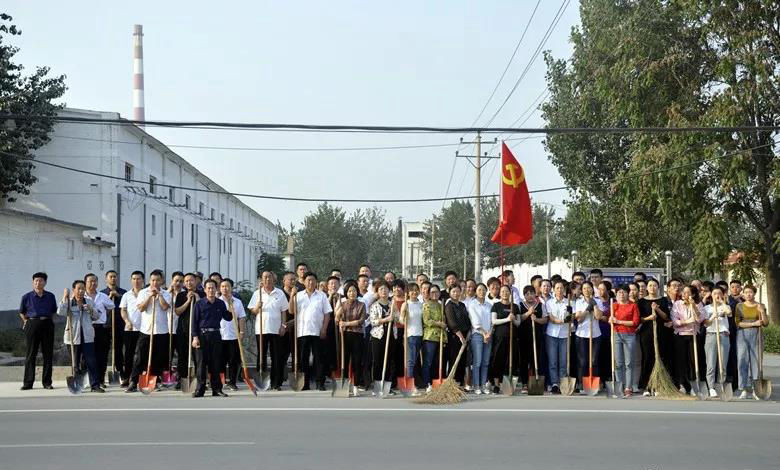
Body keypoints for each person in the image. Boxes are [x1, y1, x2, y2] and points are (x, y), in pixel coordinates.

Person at [126, 270, 171, 393]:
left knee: (158, 358)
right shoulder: (143, 292)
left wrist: (159, 296)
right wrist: (150, 297)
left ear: (162, 281)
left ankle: (154, 381)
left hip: (161, 331)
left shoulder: (166, 293)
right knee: (139, 357)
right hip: (146, 330)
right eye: (152, 280)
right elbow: (141, 308)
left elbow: (165, 307)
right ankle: (133, 382)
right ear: (149, 281)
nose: (155, 283)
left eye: (157, 280)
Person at [248, 271, 289, 391]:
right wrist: (257, 307)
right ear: (261, 279)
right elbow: (253, 311)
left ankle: (276, 383)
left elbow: (284, 311)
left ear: (273, 279)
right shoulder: (257, 293)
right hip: (261, 329)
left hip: (276, 329)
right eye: (265, 277)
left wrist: (283, 326)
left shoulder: (280, 293)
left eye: (269, 277)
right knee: (261, 356)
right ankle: (261, 382)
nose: (267, 279)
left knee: (277, 356)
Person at [58, 280, 101, 392]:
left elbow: (96, 317)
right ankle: (77, 384)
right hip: (73, 337)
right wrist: (65, 297)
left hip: (87, 337)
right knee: (75, 362)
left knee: (91, 361)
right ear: (74, 290)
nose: (81, 291)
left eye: (83, 289)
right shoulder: (69, 302)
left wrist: (91, 310)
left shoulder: (89, 301)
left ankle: (95, 385)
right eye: (79, 289)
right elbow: (60, 312)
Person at [191, 279, 232, 397]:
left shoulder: (220, 303)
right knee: (201, 364)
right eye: (208, 288)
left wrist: (230, 304)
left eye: (213, 288)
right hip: (202, 336)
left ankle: (217, 389)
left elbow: (228, 317)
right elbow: (194, 322)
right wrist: (195, 337)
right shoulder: (199, 304)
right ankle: (200, 389)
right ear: (205, 290)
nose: (211, 290)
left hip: (216, 335)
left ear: (216, 289)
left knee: (216, 363)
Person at [293, 272, 333, 391]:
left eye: (313, 280)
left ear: (316, 282)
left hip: (317, 331)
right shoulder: (298, 295)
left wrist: (324, 329)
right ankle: (304, 383)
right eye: (308, 280)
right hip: (303, 331)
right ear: (304, 282)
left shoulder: (322, 296)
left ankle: (320, 382)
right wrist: (291, 296)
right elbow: (291, 310)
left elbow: (327, 314)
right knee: (303, 359)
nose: (310, 282)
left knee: (319, 358)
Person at [19, 272, 57, 390]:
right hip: (32, 324)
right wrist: (27, 321)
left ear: (45, 282)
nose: (38, 283)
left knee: (48, 354)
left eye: (40, 280)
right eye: (35, 280)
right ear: (32, 282)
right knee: (31, 354)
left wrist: (48, 321)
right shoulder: (26, 297)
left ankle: (47, 382)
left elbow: (54, 311)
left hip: (47, 324)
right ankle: (28, 383)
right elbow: (22, 311)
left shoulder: (50, 296)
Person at [84, 273, 117, 388]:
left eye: (95, 281)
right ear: (85, 283)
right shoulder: (82, 297)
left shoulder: (102, 296)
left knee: (102, 355)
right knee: (88, 355)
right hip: (87, 328)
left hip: (101, 329)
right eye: (90, 281)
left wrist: (103, 317)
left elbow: (111, 307)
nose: (93, 283)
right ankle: (89, 379)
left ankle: (101, 380)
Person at [735, 285, 768, 399]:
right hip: (742, 334)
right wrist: (753, 323)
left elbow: (766, 323)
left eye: (751, 292)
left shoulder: (761, 305)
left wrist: (762, 312)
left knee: (756, 362)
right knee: (742, 361)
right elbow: (738, 323)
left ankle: (756, 389)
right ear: (743, 294)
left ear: (754, 293)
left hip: (757, 334)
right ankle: (744, 388)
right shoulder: (739, 306)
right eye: (746, 292)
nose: (748, 294)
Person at [670, 285, 704, 396]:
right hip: (680, 335)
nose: (685, 295)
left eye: (688, 293)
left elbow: (700, 319)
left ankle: (694, 384)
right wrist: (687, 321)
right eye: (683, 292)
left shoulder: (698, 304)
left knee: (693, 361)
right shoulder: (677, 304)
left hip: (693, 334)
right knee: (681, 361)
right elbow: (675, 320)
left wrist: (693, 306)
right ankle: (682, 384)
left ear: (693, 294)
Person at [335, 281, 367, 395]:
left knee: (357, 361)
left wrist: (346, 324)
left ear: (357, 292)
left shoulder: (362, 305)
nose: (352, 293)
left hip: (357, 335)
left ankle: (356, 385)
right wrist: (338, 317)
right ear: (346, 293)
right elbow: (337, 319)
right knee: (344, 360)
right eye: (349, 291)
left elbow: (361, 321)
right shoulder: (342, 305)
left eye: (354, 291)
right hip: (345, 336)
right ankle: (345, 385)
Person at [174, 273, 203, 389]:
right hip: (183, 330)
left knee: (198, 357)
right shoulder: (181, 295)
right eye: (186, 281)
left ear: (196, 281)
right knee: (183, 356)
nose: (188, 283)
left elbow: (203, 309)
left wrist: (196, 298)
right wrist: (187, 301)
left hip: (197, 331)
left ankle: (200, 380)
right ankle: (182, 379)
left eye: (191, 280)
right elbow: (177, 311)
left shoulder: (202, 294)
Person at [611, 285, 640, 396]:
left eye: (623, 292)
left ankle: (628, 387)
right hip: (616, 334)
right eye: (619, 292)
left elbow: (635, 322)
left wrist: (618, 321)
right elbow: (609, 319)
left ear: (628, 293)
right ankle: (619, 385)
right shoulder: (614, 306)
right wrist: (610, 320)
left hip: (629, 335)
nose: (621, 294)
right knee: (618, 363)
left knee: (629, 363)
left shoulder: (633, 306)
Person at [490, 285, 520, 393]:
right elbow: (494, 321)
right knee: (498, 360)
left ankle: (507, 384)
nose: (504, 293)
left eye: (507, 291)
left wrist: (513, 320)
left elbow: (518, 322)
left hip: (512, 338)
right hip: (500, 337)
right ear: (500, 293)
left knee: (511, 360)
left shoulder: (515, 307)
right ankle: (496, 384)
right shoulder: (496, 306)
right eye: (502, 291)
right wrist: (507, 319)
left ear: (510, 293)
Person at [703, 287, 732, 398]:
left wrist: (721, 302)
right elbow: (705, 324)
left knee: (723, 363)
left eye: (719, 293)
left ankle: (721, 384)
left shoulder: (726, 306)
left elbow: (729, 313)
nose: (717, 295)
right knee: (711, 363)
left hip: (723, 335)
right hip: (711, 335)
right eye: (715, 293)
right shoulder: (706, 308)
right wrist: (712, 317)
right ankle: (711, 387)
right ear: (711, 295)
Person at [637, 278, 664, 395]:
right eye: (650, 285)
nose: (652, 288)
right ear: (647, 288)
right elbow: (639, 319)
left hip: (660, 332)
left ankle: (658, 385)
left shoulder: (663, 300)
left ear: (658, 287)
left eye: (654, 285)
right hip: (646, 333)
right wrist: (649, 317)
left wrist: (657, 309)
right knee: (647, 358)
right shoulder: (641, 302)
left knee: (658, 358)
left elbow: (666, 317)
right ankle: (646, 386)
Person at [575, 281, 603, 394]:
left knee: (594, 360)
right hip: (582, 334)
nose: (587, 290)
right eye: (584, 288)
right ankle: (582, 384)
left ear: (592, 289)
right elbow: (579, 319)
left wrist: (594, 304)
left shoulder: (598, 301)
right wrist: (587, 308)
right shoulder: (578, 302)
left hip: (595, 334)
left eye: (589, 288)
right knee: (583, 362)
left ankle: (594, 385)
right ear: (582, 290)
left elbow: (598, 316)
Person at [518, 285, 547, 392]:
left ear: (535, 294)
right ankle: (525, 383)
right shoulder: (520, 305)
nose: (529, 296)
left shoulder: (540, 305)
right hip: (524, 337)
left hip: (537, 336)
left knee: (536, 359)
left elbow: (545, 319)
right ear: (524, 295)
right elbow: (518, 318)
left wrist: (536, 319)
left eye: (531, 293)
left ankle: (536, 381)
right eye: (527, 294)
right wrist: (528, 313)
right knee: (524, 360)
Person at [119, 271, 145, 388]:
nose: (136, 281)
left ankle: (140, 378)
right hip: (130, 329)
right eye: (134, 279)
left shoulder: (146, 293)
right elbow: (123, 310)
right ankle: (127, 377)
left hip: (144, 329)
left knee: (142, 354)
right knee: (128, 355)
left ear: (143, 280)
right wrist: (127, 321)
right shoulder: (126, 295)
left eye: (138, 279)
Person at [101, 270, 126, 386]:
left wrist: (118, 296)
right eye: (111, 277)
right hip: (106, 326)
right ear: (106, 279)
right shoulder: (102, 293)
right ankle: (102, 375)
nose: (113, 279)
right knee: (104, 351)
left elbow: (127, 305)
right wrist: (109, 297)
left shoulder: (123, 293)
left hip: (119, 325)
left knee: (118, 350)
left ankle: (121, 373)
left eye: (115, 277)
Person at [369, 282, 395, 395]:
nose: (384, 291)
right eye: (381, 289)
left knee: (389, 360)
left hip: (390, 335)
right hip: (378, 336)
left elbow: (398, 318)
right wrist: (385, 320)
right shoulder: (374, 305)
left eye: (385, 289)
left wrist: (396, 315)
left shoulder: (392, 305)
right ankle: (377, 385)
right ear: (378, 292)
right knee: (377, 360)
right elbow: (373, 321)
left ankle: (387, 386)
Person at [545, 281, 570, 394]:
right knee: (553, 361)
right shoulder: (549, 302)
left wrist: (570, 317)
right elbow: (551, 318)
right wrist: (563, 321)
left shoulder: (569, 302)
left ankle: (563, 383)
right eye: (557, 288)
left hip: (565, 334)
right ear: (554, 290)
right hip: (552, 334)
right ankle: (555, 383)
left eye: (561, 288)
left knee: (563, 361)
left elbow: (572, 317)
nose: (559, 290)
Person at [468, 283, 493, 394]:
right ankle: (476, 385)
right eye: (479, 290)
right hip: (477, 335)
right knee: (477, 362)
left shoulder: (489, 305)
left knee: (485, 362)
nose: (482, 292)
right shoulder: (472, 304)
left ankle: (483, 385)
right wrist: (484, 333)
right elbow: (475, 321)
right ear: (476, 291)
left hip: (489, 335)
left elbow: (493, 321)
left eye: (484, 290)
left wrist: (489, 333)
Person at [444, 284, 470, 388]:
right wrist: (460, 337)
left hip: (465, 335)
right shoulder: (449, 305)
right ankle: (452, 384)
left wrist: (467, 335)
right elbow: (452, 323)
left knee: (462, 361)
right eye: (453, 291)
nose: (456, 293)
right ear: (449, 293)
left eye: (458, 291)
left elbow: (467, 321)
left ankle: (460, 384)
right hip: (455, 336)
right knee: (454, 359)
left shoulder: (462, 305)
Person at [422, 284, 446, 393]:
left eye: (436, 292)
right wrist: (439, 323)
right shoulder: (426, 305)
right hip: (430, 336)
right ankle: (427, 383)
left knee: (438, 362)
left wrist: (443, 324)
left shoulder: (441, 305)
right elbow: (427, 321)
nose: (434, 294)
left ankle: (436, 382)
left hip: (440, 337)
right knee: (428, 361)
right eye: (432, 292)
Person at [400, 283, 423, 395]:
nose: (414, 292)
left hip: (420, 335)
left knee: (416, 361)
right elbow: (401, 320)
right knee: (410, 361)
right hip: (410, 335)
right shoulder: (406, 304)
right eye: (412, 290)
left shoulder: (421, 304)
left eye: (416, 290)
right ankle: (410, 386)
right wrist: (404, 314)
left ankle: (414, 383)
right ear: (408, 293)